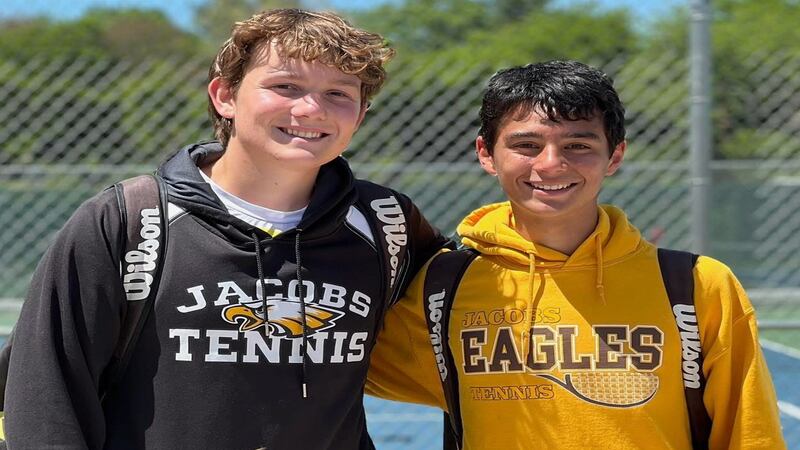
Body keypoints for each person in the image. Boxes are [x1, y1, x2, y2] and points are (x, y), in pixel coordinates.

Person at [4, 8, 449, 449]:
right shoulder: (130, 219)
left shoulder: (384, 221)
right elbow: (46, 396)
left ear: (361, 115)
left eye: (338, 93)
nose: (311, 109)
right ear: (225, 96)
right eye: (285, 86)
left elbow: (473, 303)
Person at [366, 60, 786, 449]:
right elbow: (336, 369)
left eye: (578, 145)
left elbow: (750, 435)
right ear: (486, 154)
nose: (551, 164)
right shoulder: (444, 286)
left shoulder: (696, 285)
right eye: (527, 144)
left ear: (615, 155)